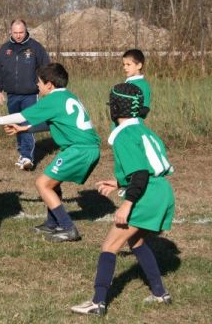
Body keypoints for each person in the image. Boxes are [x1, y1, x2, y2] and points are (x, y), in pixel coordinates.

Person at [71, 83, 175, 316]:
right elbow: (148, 167)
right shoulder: (143, 130)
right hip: (162, 191)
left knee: (110, 245)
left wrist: (127, 204)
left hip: (145, 193)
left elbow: (139, 174)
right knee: (136, 241)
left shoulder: (124, 135)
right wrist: (118, 182)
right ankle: (160, 293)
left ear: (115, 107)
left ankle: (98, 302)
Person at [0, 63, 100, 242]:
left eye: (39, 82)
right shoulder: (67, 96)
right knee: (52, 183)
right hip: (86, 147)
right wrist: (24, 130)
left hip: (79, 150)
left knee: (42, 184)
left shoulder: (52, 99)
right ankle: (53, 223)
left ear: (49, 85)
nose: (37, 85)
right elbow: (52, 122)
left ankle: (68, 228)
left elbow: (21, 115)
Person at [0, 19, 50, 171]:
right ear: (11, 32)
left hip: (30, 94)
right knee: (15, 124)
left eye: (21, 32)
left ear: (26, 31)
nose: (18, 36)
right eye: (15, 33)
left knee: (27, 123)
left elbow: (46, 69)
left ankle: (27, 157)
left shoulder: (36, 48)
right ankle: (22, 152)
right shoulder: (4, 49)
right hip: (12, 94)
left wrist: (48, 89)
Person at [123, 49, 151, 118]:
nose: (125, 67)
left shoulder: (143, 85)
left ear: (139, 66)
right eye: (124, 64)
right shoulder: (128, 82)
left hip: (132, 127)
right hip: (120, 127)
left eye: (128, 64)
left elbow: (144, 109)